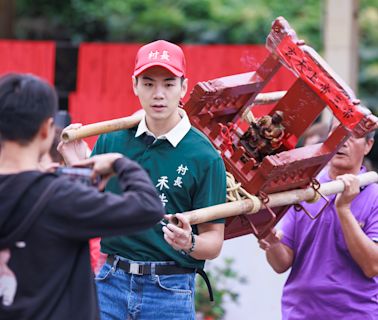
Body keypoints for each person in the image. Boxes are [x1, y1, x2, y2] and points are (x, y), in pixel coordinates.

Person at [59, 40, 227, 319]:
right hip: (108, 281)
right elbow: (88, 210)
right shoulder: (112, 140)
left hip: (169, 289)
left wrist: (189, 243)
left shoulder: (205, 156)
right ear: (135, 85)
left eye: (169, 84)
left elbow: (214, 241)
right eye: (148, 84)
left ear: (184, 87)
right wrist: (76, 164)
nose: (158, 94)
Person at [0, 73, 165, 320]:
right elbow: (149, 207)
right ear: (46, 130)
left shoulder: (62, 194)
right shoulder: (61, 197)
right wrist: (120, 163)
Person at [259, 121, 378, 319]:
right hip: (299, 313)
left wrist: (343, 209)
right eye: (338, 134)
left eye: (354, 136)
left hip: (356, 314)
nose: (343, 142)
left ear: (368, 145)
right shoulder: (304, 189)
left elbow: (372, 266)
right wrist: (271, 241)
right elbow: (281, 264)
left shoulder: (375, 196)